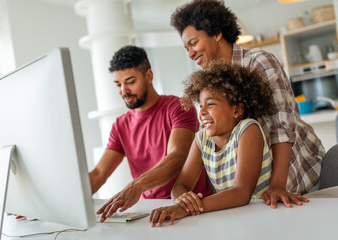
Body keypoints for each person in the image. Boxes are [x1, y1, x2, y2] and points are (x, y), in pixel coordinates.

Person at [170, 0, 325, 208]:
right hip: (256, 195)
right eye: (186, 48)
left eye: (194, 43)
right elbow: (210, 138)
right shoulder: (209, 83)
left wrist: (277, 185)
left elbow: (282, 127)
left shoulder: (259, 62)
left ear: (216, 33)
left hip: (296, 180)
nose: (190, 53)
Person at [90, 45, 211, 222]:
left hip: (189, 207)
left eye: (130, 82)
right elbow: (99, 172)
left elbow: (178, 156)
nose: (124, 91)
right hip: (150, 212)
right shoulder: (120, 125)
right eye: (118, 84)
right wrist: (69, 202)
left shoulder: (178, 107)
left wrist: (137, 185)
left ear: (149, 76)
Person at [150, 61, 275, 227]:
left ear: (237, 110)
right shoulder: (202, 139)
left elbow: (242, 193)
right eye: (200, 105)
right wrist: (183, 201)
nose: (201, 112)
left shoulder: (248, 130)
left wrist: (188, 209)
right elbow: (181, 185)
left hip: (264, 217)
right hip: (233, 219)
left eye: (210, 104)